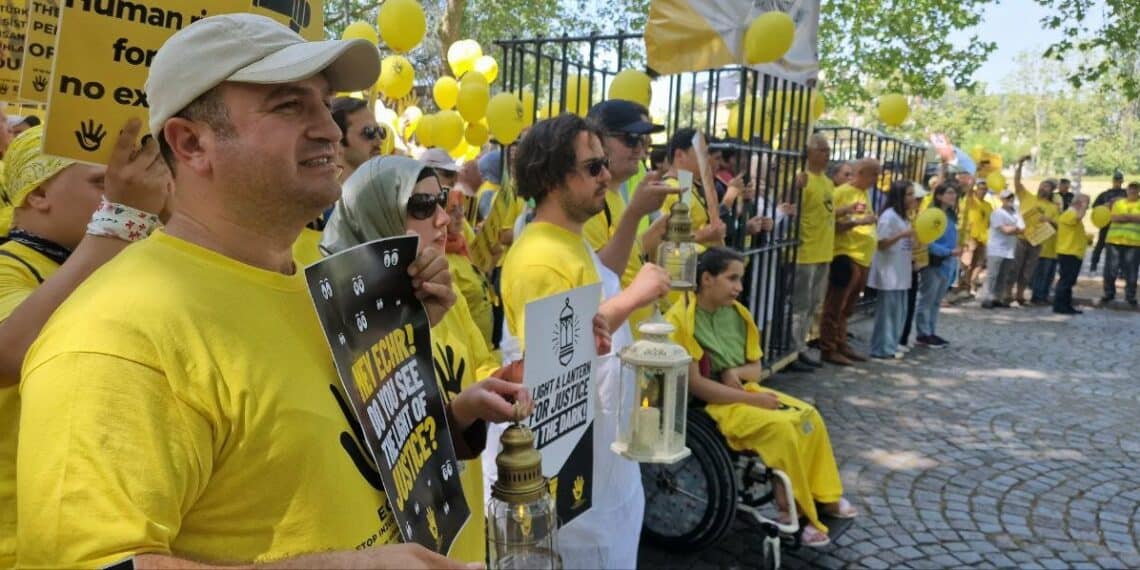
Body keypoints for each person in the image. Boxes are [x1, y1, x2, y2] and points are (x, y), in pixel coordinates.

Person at [16, 14, 489, 568]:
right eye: (290, 106)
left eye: (324, 103)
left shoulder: (328, 275)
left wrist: (405, 341)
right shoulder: (116, 336)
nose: (331, 130)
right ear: (191, 142)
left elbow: (335, 449)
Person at [320, 155, 531, 564]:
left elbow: (478, 362)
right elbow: (379, 447)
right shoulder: (339, 322)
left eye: (442, 202)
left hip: (458, 520)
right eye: (420, 206)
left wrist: (503, 381)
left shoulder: (445, 293)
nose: (442, 220)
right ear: (375, 214)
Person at [499, 113, 670, 569]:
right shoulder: (540, 260)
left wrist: (633, 220)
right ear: (554, 177)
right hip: (574, 477)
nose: (607, 176)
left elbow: (604, 275)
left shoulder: (567, 241)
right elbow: (555, 363)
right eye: (593, 168)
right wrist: (635, 297)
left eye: (604, 164)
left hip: (602, 457)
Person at [0, 122, 170, 566]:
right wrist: (121, 218)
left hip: (104, 532)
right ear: (37, 195)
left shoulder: (120, 263)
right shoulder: (9, 267)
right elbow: (9, 353)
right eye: (103, 183)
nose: (125, 194)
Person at [665, 247, 856, 548]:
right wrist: (751, 400)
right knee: (780, 430)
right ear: (706, 278)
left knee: (808, 416)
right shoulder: (682, 319)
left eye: (740, 279)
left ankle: (826, 495)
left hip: (741, 392)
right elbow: (696, 386)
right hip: (710, 406)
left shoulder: (738, 315)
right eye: (732, 279)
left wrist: (736, 372)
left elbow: (755, 368)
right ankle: (793, 512)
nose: (740, 287)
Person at [583, 100, 676, 335]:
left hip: (629, 340)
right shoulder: (588, 201)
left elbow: (625, 260)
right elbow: (600, 278)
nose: (641, 149)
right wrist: (635, 214)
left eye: (644, 141)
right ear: (598, 140)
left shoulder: (614, 196)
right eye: (631, 139)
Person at [819, 158, 881, 365]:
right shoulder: (842, 193)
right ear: (861, 172)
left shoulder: (863, 193)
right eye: (874, 174)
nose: (877, 179)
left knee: (848, 307)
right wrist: (858, 221)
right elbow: (831, 224)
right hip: (845, 255)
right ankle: (828, 346)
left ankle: (841, 342)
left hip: (862, 256)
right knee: (835, 304)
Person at [788, 134, 835, 370]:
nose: (827, 154)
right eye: (822, 150)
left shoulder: (827, 182)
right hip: (805, 251)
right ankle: (793, 349)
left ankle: (802, 345)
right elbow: (789, 208)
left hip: (823, 251)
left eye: (828, 150)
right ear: (810, 153)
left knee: (814, 303)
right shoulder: (802, 179)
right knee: (800, 304)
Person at [868, 180, 916, 359]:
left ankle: (891, 343)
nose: (912, 198)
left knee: (898, 311)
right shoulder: (889, 217)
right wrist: (902, 235)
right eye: (909, 194)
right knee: (887, 312)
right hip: (889, 271)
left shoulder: (903, 216)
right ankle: (881, 348)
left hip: (901, 269)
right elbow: (881, 243)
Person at [1006, 156, 1058, 306]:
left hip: (1037, 241)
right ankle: (1007, 293)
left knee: (1028, 269)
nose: (1043, 188)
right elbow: (1017, 182)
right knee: (1014, 267)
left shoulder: (1053, 207)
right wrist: (1020, 164)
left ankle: (1020, 295)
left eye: (1047, 187)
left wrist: (1049, 220)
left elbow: (1057, 225)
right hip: (1021, 238)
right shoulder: (1027, 196)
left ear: (1051, 191)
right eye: (1042, 185)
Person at [915, 182, 959, 347]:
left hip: (946, 264)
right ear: (939, 196)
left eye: (954, 193)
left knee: (936, 301)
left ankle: (931, 331)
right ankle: (922, 333)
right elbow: (927, 240)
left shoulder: (950, 216)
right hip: (934, 262)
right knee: (927, 299)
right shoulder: (932, 215)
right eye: (949, 192)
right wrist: (947, 251)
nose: (953, 196)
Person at [980, 189, 1025, 309]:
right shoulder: (997, 213)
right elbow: (1005, 230)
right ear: (1002, 200)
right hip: (996, 248)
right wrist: (1015, 229)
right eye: (1007, 198)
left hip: (1009, 249)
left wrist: (1012, 228)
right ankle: (986, 298)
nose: (1010, 199)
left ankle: (997, 297)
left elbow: (1023, 228)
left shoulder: (1016, 212)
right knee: (992, 275)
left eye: (1011, 197)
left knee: (1003, 275)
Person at [331, 96, 388, 183]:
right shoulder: (323, 195)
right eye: (368, 132)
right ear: (338, 144)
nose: (379, 142)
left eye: (380, 131)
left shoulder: (385, 192)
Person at [1053, 194, 1091, 314]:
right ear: (1079, 203)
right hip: (1068, 252)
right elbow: (1079, 216)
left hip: (1073, 252)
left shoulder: (1072, 214)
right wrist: (1084, 206)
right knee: (1066, 281)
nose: (1088, 206)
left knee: (1069, 281)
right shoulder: (1070, 213)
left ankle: (1066, 305)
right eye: (1086, 203)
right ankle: (1060, 306)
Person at [1104, 181, 1140, 306]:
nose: (1133, 191)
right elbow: (1114, 218)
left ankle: (1130, 296)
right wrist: (1133, 217)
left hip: (1134, 243)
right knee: (1110, 269)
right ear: (1127, 190)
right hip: (1114, 241)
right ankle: (1109, 294)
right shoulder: (1118, 203)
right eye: (1131, 189)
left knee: (1131, 271)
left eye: (1135, 189)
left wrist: (1124, 217)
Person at [957, 179, 992, 296]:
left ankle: (971, 284)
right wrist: (974, 177)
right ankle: (964, 286)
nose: (983, 191)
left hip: (983, 238)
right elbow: (969, 191)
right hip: (970, 236)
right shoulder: (971, 201)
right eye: (981, 189)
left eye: (985, 189)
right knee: (967, 263)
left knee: (979, 264)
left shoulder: (988, 205)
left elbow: (988, 222)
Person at [1090, 170, 1127, 272]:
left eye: (1119, 180)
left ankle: (1121, 270)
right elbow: (1095, 207)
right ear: (1113, 181)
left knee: (1121, 247)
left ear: (1122, 181)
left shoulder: (1125, 193)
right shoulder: (1105, 194)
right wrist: (1105, 205)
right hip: (1106, 223)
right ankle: (1093, 264)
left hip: (1121, 225)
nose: (1117, 182)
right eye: (1116, 180)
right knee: (1100, 244)